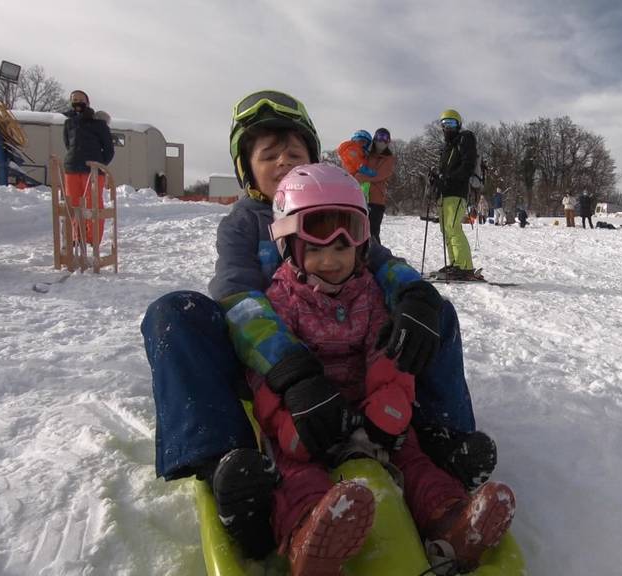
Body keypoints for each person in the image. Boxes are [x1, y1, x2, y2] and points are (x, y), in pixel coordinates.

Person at [140, 91, 496, 558]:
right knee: (174, 315)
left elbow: (381, 264)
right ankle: (229, 463)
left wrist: (415, 295)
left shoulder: (336, 205)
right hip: (272, 372)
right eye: (269, 154)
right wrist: (292, 371)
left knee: (433, 312)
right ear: (247, 169)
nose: (284, 159)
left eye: (294, 151)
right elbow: (237, 299)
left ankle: (440, 437)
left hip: (349, 355)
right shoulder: (244, 225)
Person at [254, 164, 515, 574]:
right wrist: (290, 427)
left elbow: (387, 355)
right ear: (289, 246)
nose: (332, 260)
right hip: (309, 420)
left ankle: (451, 521)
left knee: (413, 461)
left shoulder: (370, 293)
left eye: (344, 247)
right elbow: (265, 376)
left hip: (367, 411)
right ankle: (309, 537)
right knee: (297, 476)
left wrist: (389, 410)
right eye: (318, 248)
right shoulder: (280, 300)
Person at [431, 109, 481, 281]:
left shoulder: (465, 138)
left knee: (453, 228)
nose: (447, 127)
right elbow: (445, 171)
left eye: (451, 123)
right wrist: (436, 180)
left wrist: (448, 178)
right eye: (444, 124)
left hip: (457, 192)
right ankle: (455, 263)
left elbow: (467, 165)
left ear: (458, 124)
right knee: (446, 230)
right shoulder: (446, 148)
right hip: (444, 194)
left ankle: (465, 266)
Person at [62, 90, 114, 246]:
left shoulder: (98, 124)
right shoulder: (68, 123)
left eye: (81, 99)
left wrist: (99, 164)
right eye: (74, 99)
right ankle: (77, 237)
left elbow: (109, 149)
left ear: (87, 102)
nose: (78, 102)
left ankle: (93, 239)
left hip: (92, 170)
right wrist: (73, 158)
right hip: (72, 168)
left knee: (93, 205)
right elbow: (67, 144)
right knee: (74, 205)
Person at [354, 128, 395, 243]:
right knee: (360, 232)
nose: (381, 141)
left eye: (385, 138)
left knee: (373, 232)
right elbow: (356, 168)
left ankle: (376, 257)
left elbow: (380, 175)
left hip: (377, 201)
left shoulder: (389, 159)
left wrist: (362, 177)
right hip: (362, 198)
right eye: (379, 137)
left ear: (388, 141)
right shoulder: (367, 155)